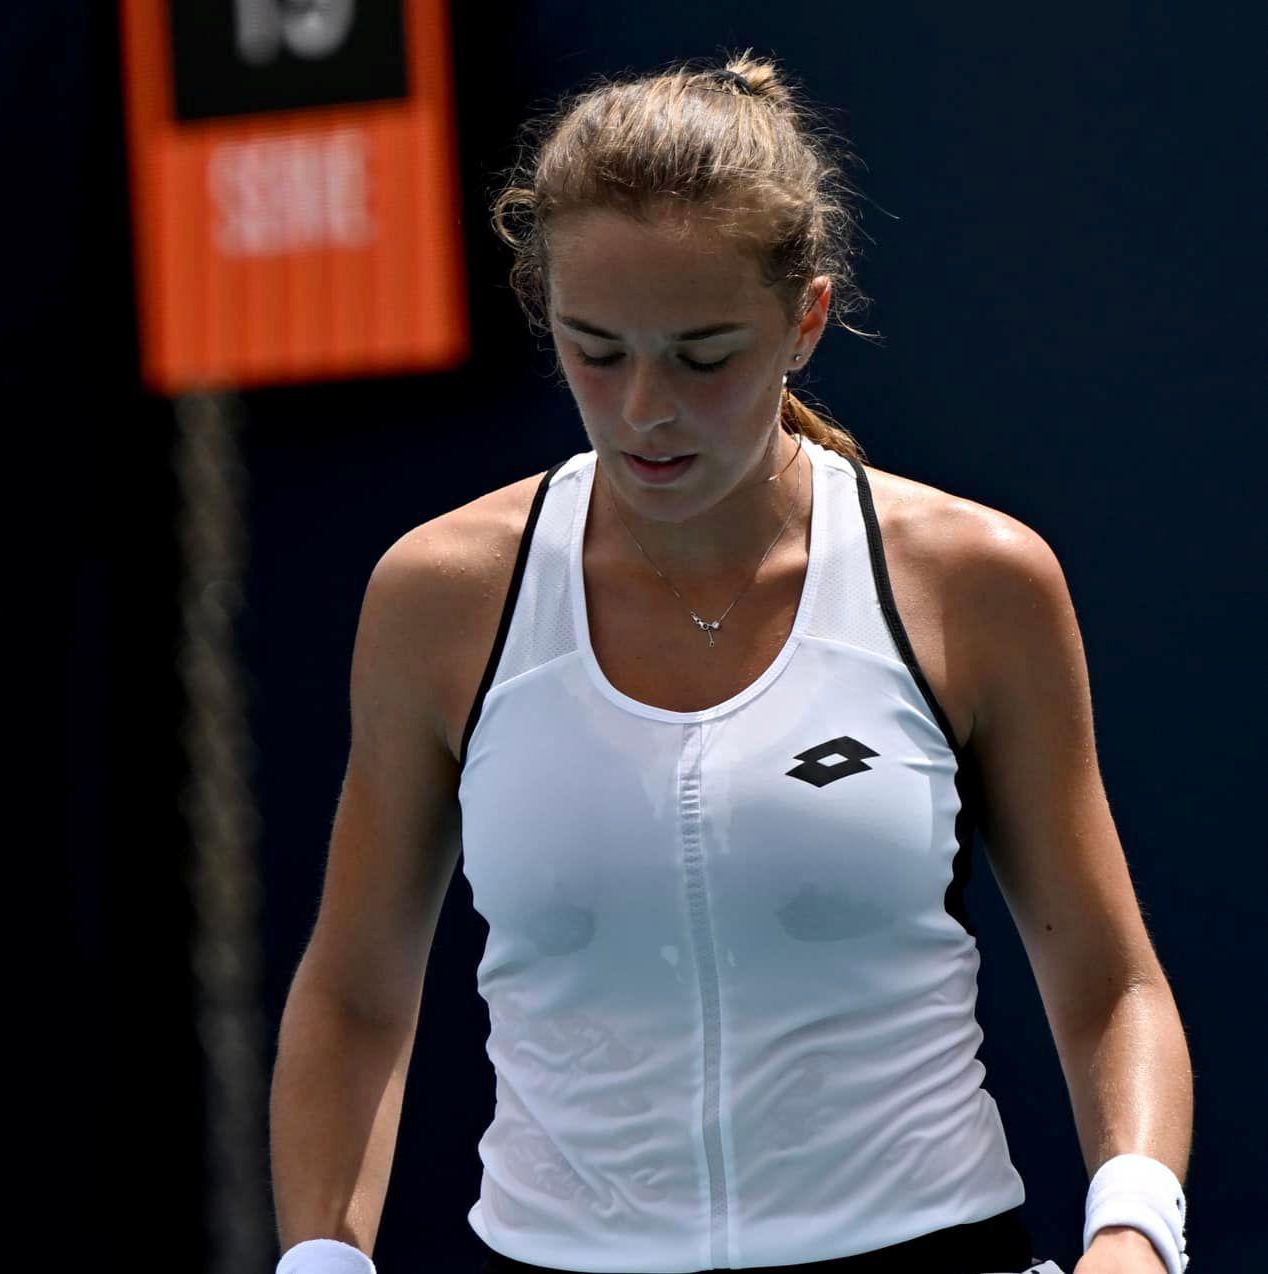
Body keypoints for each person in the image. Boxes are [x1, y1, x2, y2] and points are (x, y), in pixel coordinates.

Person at [268, 52, 1192, 1274]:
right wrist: (319, 1261)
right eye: (594, 348)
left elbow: (1108, 979)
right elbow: (353, 994)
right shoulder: (438, 597)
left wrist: (1132, 1227)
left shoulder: (974, 580)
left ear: (804, 317)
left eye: (702, 355)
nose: (645, 406)